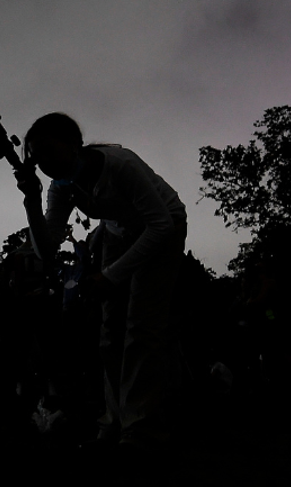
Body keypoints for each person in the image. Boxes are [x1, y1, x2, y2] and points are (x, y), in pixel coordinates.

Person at [16, 112, 187, 448]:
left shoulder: (120, 165)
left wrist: (111, 275)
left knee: (142, 328)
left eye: (49, 151)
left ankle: (142, 427)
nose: (45, 163)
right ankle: (114, 419)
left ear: (75, 144)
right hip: (116, 232)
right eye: (37, 157)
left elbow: (161, 225)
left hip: (162, 228)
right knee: (109, 332)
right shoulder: (61, 188)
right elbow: (47, 248)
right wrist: (31, 200)